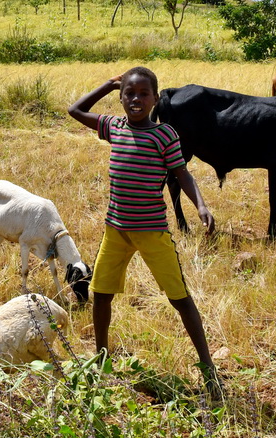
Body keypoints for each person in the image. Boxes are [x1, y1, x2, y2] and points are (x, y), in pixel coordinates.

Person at [68, 67, 223, 398]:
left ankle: (208, 368)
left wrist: (201, 205)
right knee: (101, 295)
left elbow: (182, 175)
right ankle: (100, 359)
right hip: (116, 231)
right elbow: (75, 111)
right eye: (129, 93)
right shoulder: (113, 127)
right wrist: (108, 85)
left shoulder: (165, 135)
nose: (135, 99)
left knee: (180, 299)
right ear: (121, 97)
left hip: (153, 232)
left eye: (143, 94)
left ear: (155, 98)